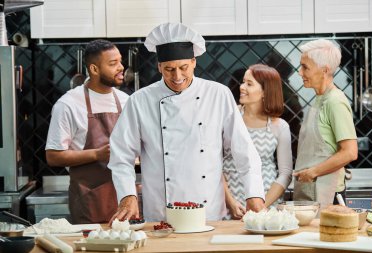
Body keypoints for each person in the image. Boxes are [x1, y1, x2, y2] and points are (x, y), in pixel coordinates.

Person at [108, 23, 266, 223]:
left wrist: (254, 195)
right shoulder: (140, 100)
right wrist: (127, 195)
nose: (177, 76)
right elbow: (121, 155)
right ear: (159, 67)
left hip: (209, 213)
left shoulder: (218, 94)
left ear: (193, 62)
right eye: (169, 69)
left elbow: (244, 152)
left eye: (183, 67)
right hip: (161, 212)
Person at [45, 39, 129, 224]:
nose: (121, 67)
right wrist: (98, 154)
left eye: (120, 61)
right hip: (90, 199)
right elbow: (53, 156)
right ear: (94, 69)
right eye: (113, 63)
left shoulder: (126, 101)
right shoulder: (68, 104)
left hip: (125, 197)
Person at [293, 39, 358, 210]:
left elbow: (350, 152)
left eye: (305, 67)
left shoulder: (335, 102)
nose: (300, 72)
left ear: (325, 70)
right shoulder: (319, 99)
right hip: (309, 191)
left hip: (327, 195)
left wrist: (312, 172)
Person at [223, 64, 293, 219]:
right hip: (229, 205)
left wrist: (261, 205)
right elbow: (214, 165)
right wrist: (231, 203)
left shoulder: (279, 126)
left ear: (265, 91)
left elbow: (286, 173)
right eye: (243, 82)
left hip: (265, 207)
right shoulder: (227, 119)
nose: (241, 87)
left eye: (249, 84)